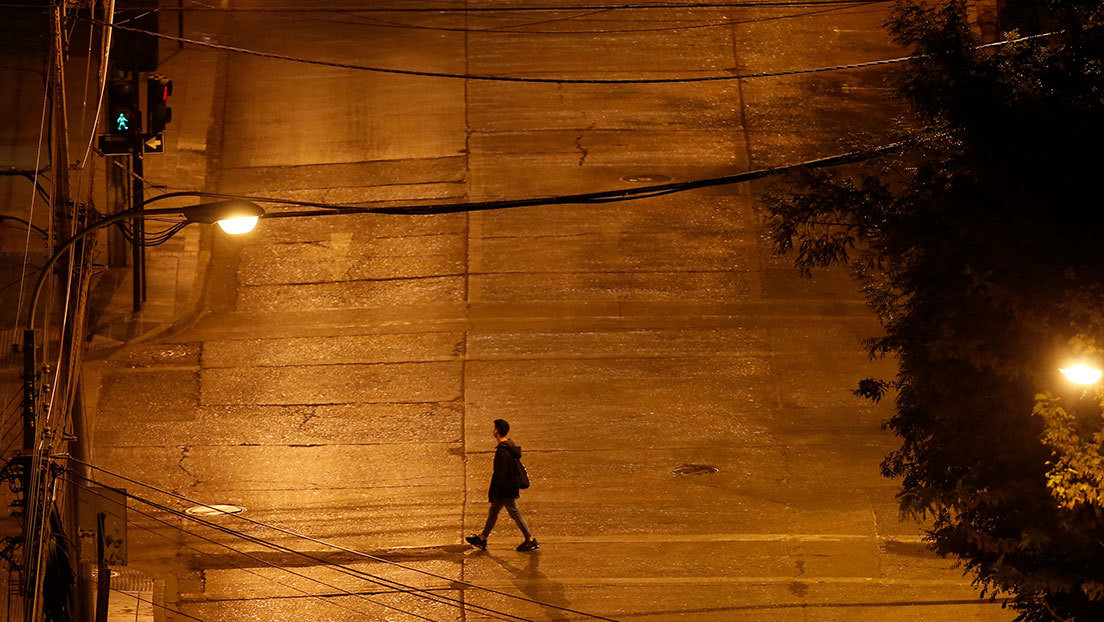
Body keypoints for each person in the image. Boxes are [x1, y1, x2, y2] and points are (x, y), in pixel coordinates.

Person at [466, 419, 539, 552]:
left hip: (505, 490)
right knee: (493, 512)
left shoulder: (502, 451)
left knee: (515, 513)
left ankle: (530, 539)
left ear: (496, 431)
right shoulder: (509, 446)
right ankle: (482, 538)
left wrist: (494, 492)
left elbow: (500, 474)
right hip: (508, 488)